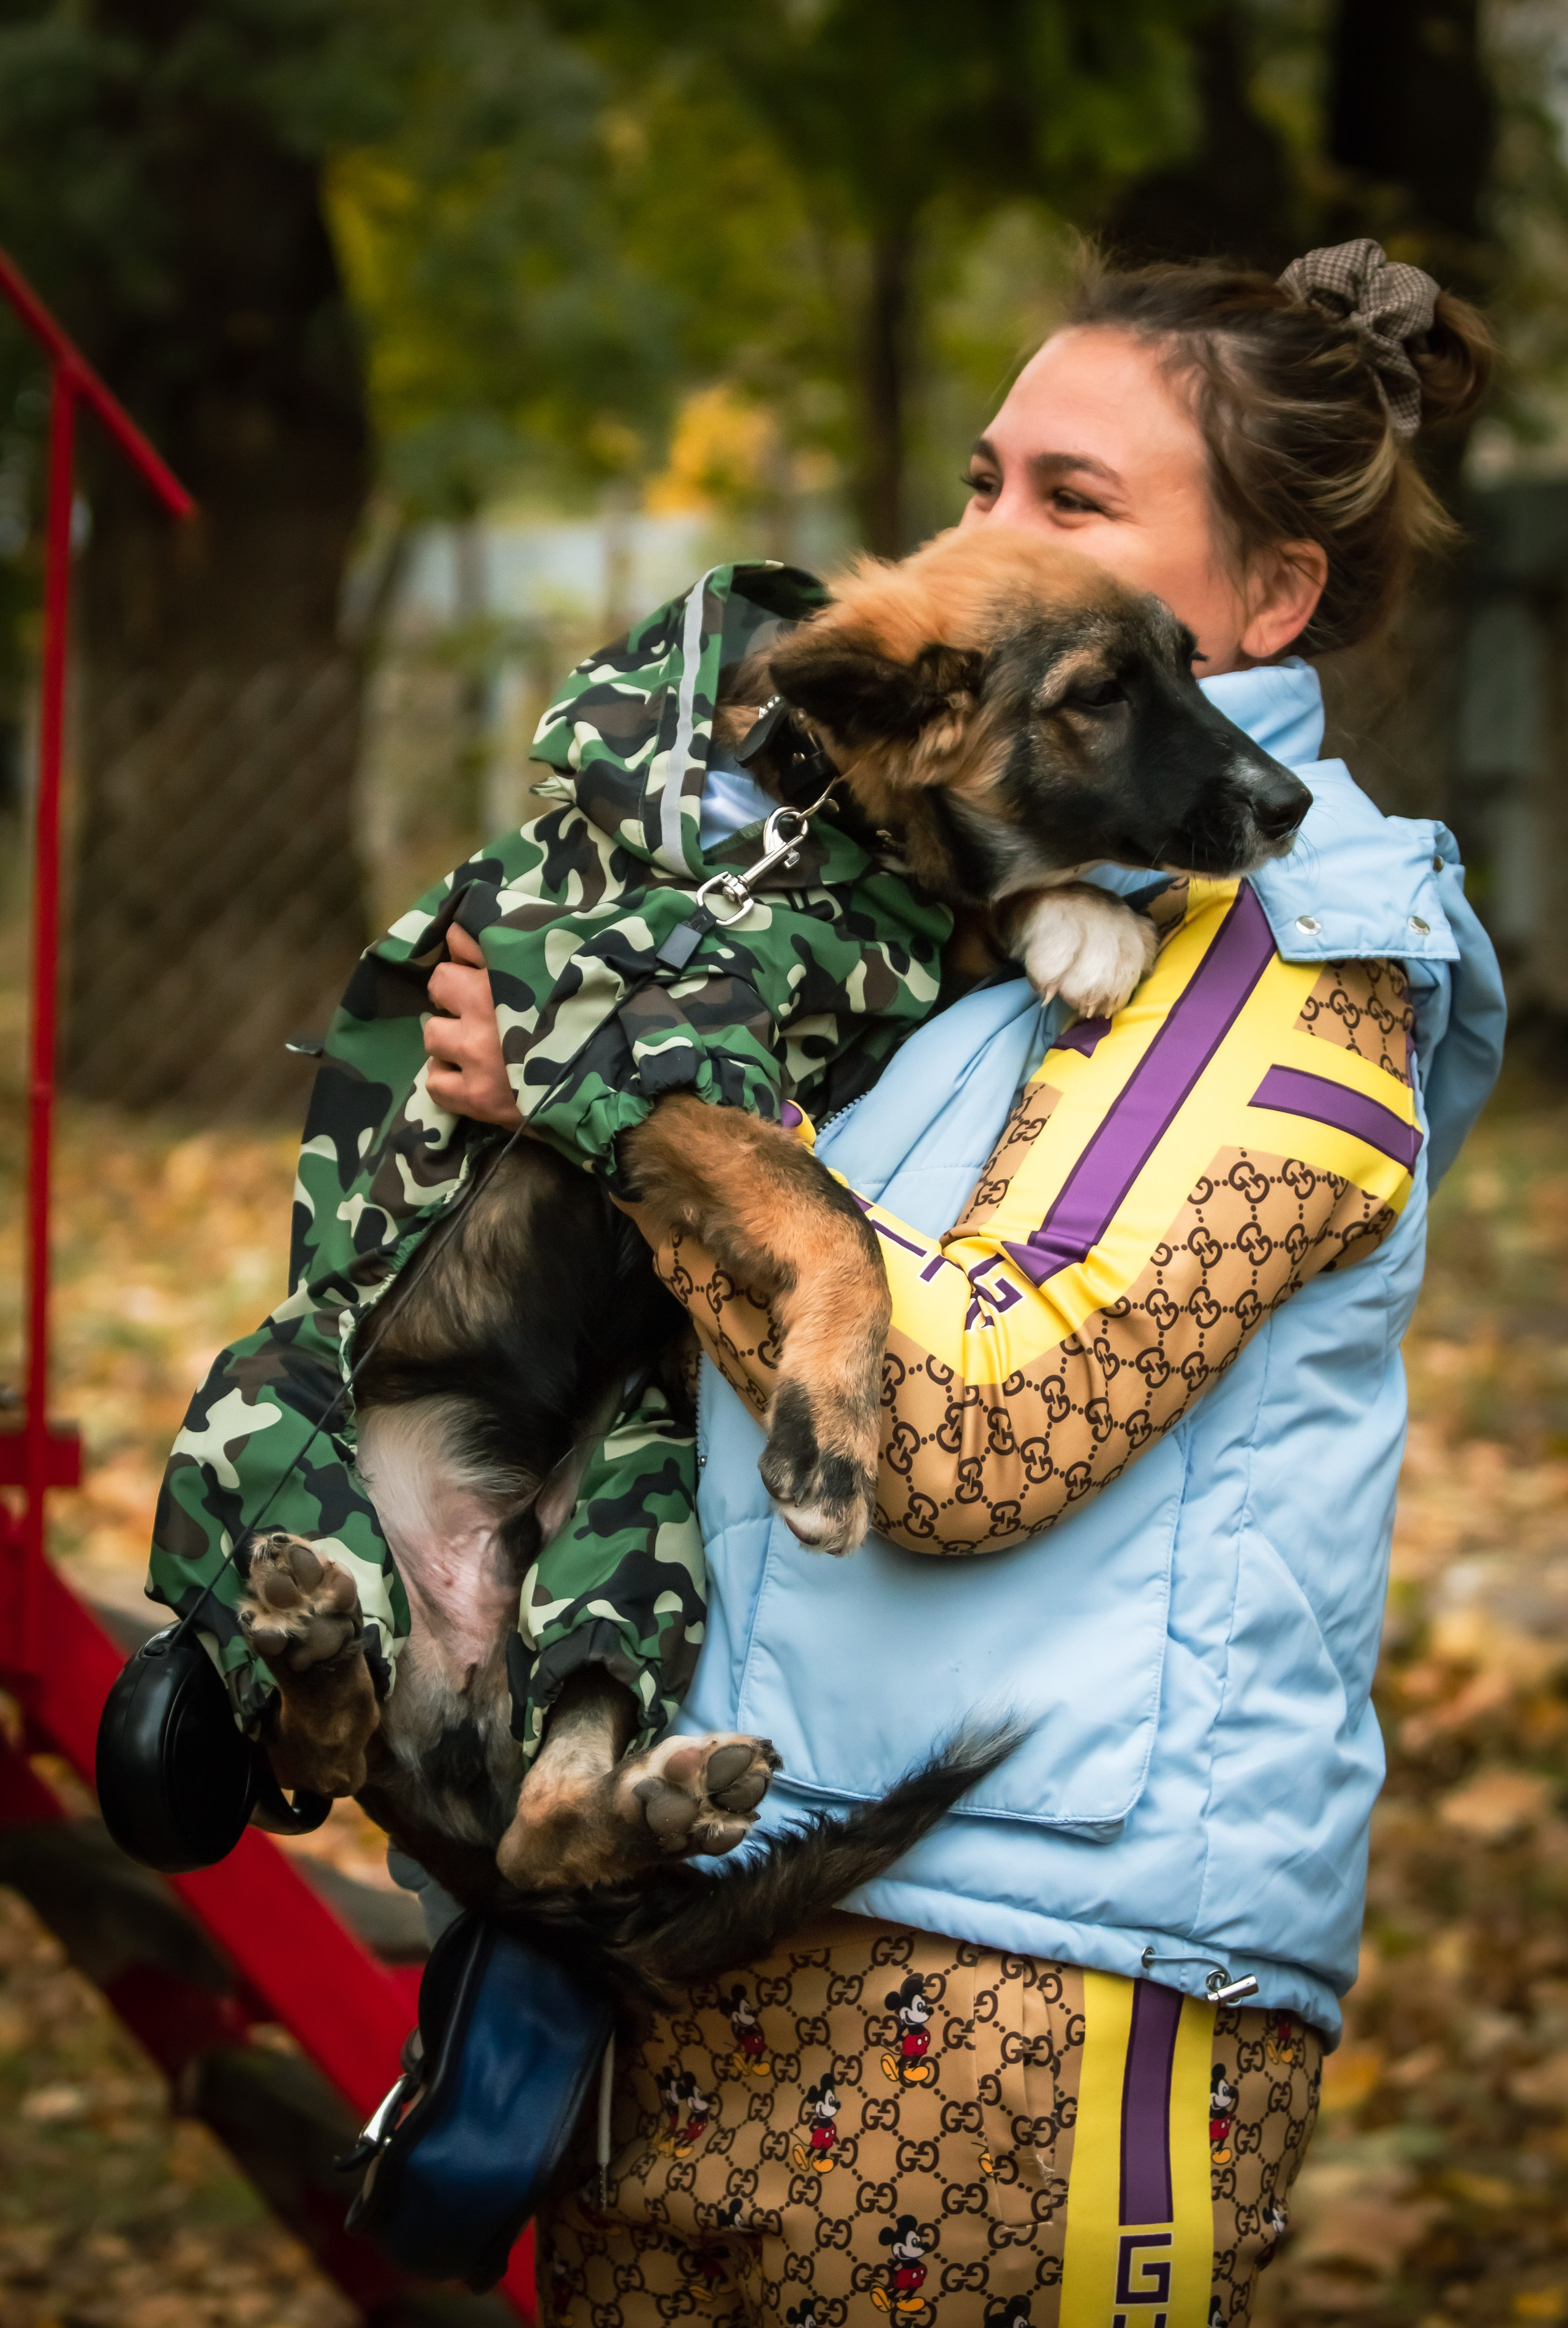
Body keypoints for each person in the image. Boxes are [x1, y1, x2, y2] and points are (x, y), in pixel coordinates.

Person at [423, 241, 1506, 2328]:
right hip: (732, 1916)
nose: (974, 542)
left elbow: (972, 1423)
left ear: (1267, 602)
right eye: (985, 478)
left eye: (1072, 503)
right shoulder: (951, 872)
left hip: (1033, 1996)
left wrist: (612, 1114)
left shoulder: (1289, 949)